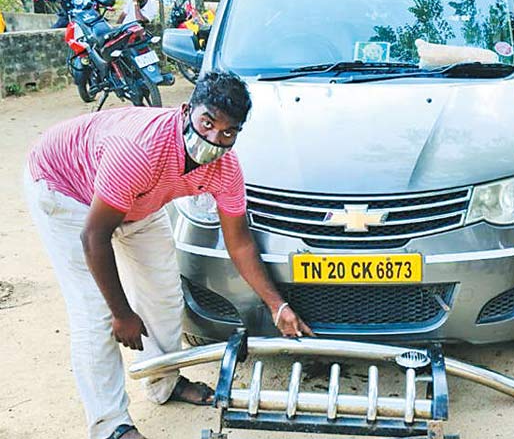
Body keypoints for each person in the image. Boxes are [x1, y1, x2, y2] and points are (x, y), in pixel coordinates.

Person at [24, 72, 312, 439]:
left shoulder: (225, 168)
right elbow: (95, 236)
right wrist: (122, 313)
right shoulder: (140, 150)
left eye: (228, 132)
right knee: (94, 313)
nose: (213, 139)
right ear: (188, 109)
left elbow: (239, 243)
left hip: (138, 202)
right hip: (66, 189)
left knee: (164, 296)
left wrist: (276, 305)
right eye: (207, 123)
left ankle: (164, 381)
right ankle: (111, 425)